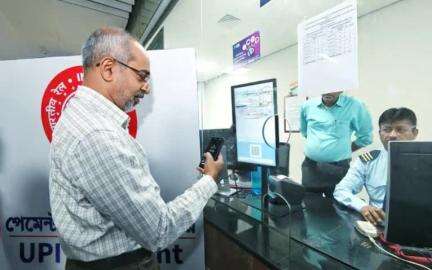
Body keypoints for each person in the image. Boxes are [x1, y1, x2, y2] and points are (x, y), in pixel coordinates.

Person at [48, 27, 224, 270]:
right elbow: (158, 230)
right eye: (142, 76)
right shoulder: (99, 136)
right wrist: (209, 181)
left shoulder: (80, 115)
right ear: (108, 68)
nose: (147, 88)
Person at [333, 107, 418, 225]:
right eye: (387, 129)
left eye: (400, 129)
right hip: (379, 225)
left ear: (414, 133)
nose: (393, 135)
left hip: (419, 226)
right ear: (380, 133)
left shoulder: (427, 161)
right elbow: (341, 190)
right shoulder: (367, 161)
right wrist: (362, 207)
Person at [300, 91, 373, 198]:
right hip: (311, 166)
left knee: (339, 205)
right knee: (309, 205)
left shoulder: (355, 106)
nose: (328, 90)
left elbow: (365, 137)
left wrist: (342, 150)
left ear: (342, 87)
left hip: (338, 168)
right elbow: (305, 132)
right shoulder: (307, 106)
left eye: (333, 86)